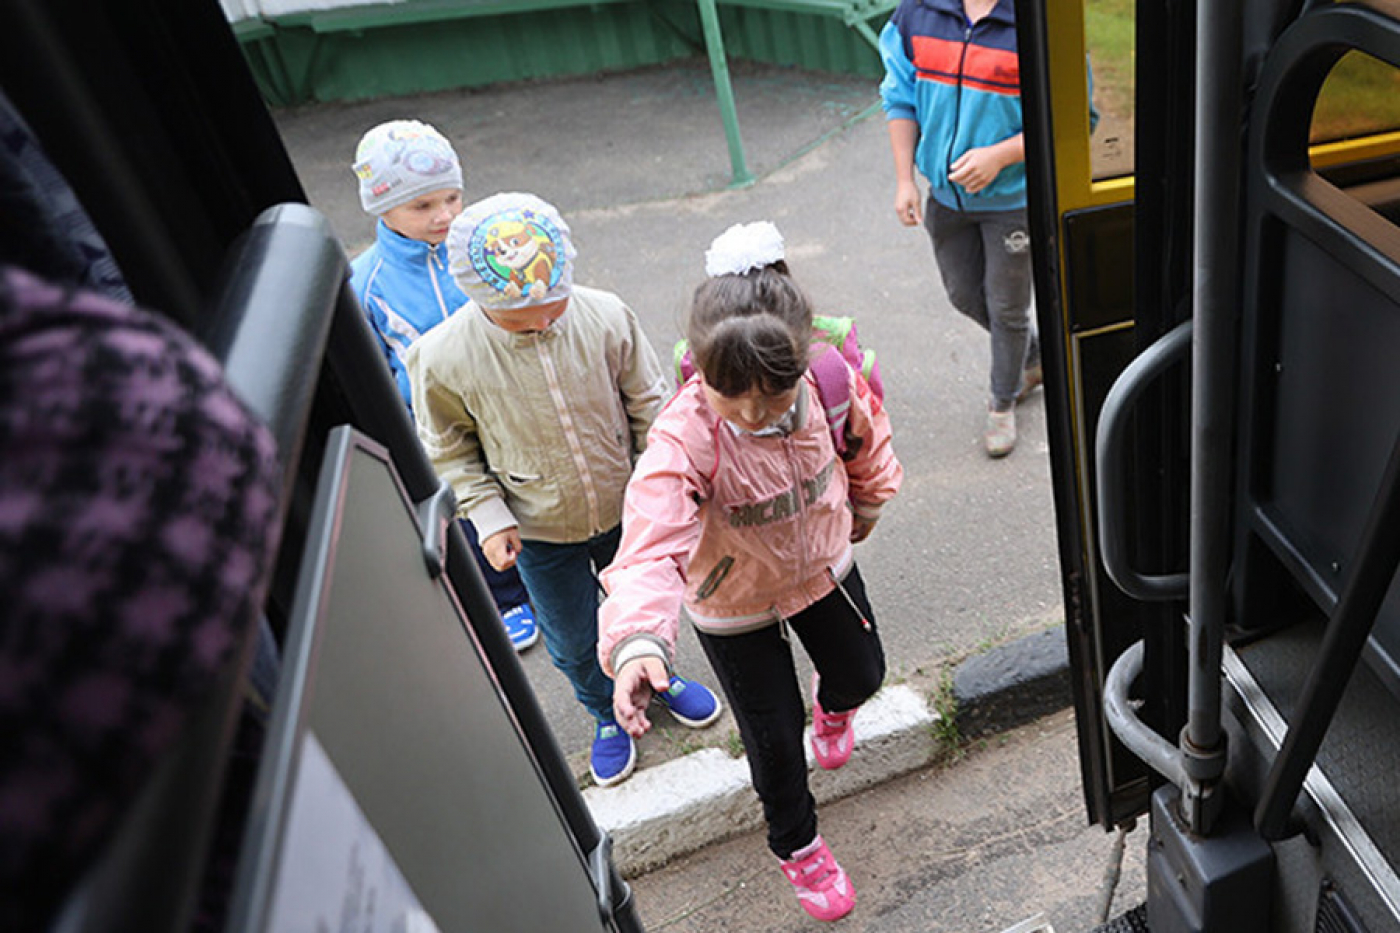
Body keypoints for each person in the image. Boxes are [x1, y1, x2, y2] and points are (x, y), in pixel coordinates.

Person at [597, 222, 903, 922]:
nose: (751, 413)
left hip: (823, 564)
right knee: (773, 738)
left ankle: (834, 706)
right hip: (730, 600)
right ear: (702, 369)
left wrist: (871, 502)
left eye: (771, 395)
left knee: (863, 673)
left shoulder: (831, 378)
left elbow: (868, 438)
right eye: (729, 393)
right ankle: (797, 844)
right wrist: (640, 641)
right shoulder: (684, 433)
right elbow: (647, 544)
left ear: (802, 359)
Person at [404, 191, 723, 787]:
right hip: (537, 530)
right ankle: (605, 711)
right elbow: (448, 449)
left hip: (629, 509)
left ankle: (657, 674)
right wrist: (489, 516)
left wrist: (670, 487)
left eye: (555, 309)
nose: (545, 324)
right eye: (524, 322)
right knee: (573, 638)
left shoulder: (603, 315)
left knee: (648, 607)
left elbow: (650, 406)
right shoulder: (443, 356)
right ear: (480, 297)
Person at [349, 119, 539, 651]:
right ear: (381, 208)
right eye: (423, 206)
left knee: (528, 484)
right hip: (436, 421)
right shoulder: (365, 281)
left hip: (507, 398)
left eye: (452, 197)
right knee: (469, 500)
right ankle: (507, 597)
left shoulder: (485, 246)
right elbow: (371, 365)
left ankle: (550, 578)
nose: (445, 215)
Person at [879, 0, 1040, 458]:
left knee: (1007, 308)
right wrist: (906, 180)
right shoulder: (915, 14)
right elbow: (899, 98)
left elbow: (1071, 115)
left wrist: (1000, 156)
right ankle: (1030, 358)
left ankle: (1002, 402)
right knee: (964, 295)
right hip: (946, 199)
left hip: (1014, 202)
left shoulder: (1037, 21)